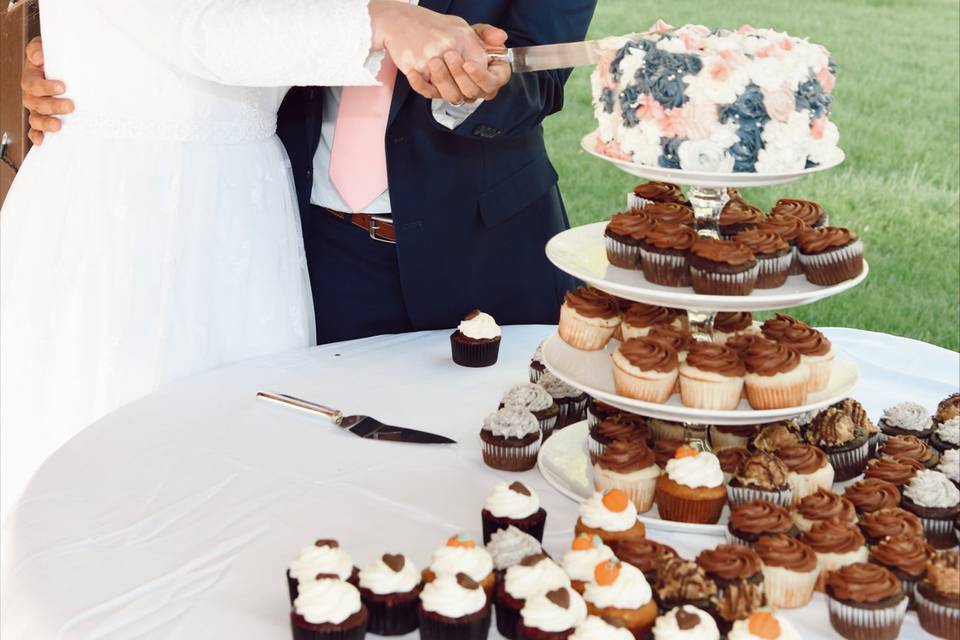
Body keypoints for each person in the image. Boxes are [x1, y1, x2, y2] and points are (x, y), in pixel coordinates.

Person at [0, 0, 509, 522]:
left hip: (248, 214)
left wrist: (442, 39)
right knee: (125, 472)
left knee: (249, 470)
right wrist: (385, 22)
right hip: (134, 213)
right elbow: (200, 30)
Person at [26, 1, 598, 344]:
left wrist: (477, 89)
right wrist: (96, 71)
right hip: (307, 249)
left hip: (485, 249)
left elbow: (542, 68)